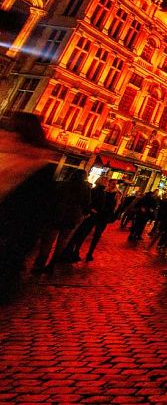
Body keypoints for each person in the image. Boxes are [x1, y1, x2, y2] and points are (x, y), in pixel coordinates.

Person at [0, 112, 56, 298]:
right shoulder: (6, 162)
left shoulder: (38, 169)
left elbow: (34, 216)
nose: (3, 138)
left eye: (7, 133)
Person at [32, 168, 91, 275]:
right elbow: (86, 204)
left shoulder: (62, 184)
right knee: (62, 242)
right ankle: (52, 265)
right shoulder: (85, 188)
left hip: (57, 215)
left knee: (48, 241)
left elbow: (52, 199)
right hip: (71, 218)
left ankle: (39, 264)